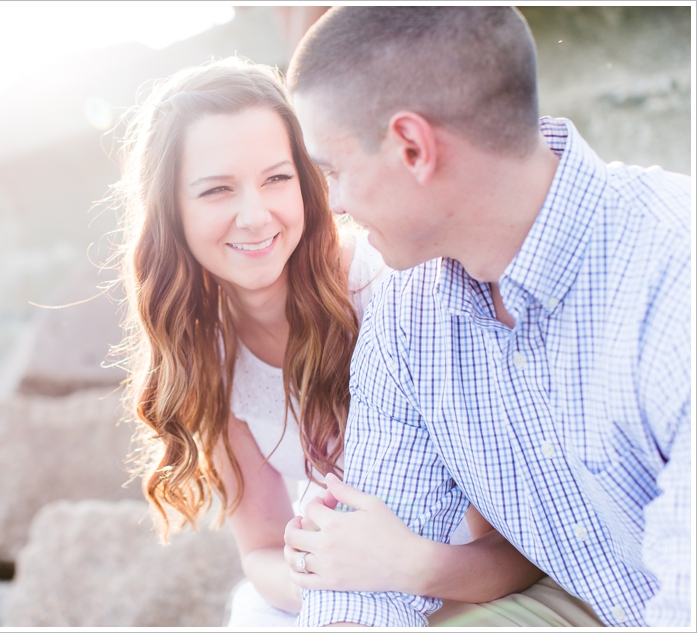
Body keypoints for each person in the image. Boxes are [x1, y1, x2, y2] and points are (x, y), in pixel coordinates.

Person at [112, 57, 578, 627]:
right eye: (217, 190)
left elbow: (520, 551)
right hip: (329, 587)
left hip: (464, 586)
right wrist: (326, 579)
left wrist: (386, 575)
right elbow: (259, 549)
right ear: (171, 212)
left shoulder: (395, 290)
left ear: (311, 181)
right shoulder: (204, 347)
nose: (255, 216)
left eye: (277, 178)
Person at [282, 7, 691, 627]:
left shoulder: (672, 272)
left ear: (413, 148)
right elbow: (357, 590)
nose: (333, 205)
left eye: (334, 171)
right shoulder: (404, 315)